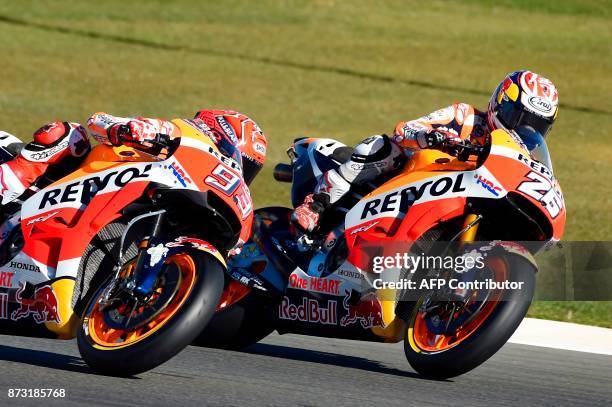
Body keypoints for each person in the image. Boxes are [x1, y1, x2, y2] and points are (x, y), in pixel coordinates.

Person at [292, 70, 559, 233]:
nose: (524, 129)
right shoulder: (463, 116)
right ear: (499, 103)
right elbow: (405, 130)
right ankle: (316, 205)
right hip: (410, 180)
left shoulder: (520, 157)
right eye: (519, 117)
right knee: (383, 146)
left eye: (536, 125)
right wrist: (431, 136)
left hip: (452, 202)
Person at [0, 110, 267, 206]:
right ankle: (11, 182)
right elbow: (98, 120)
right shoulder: (174, 135)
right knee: (71, 134)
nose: (240, 171)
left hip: (114, 208)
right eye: (245, 162)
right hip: (80, 183)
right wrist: (123, 128)